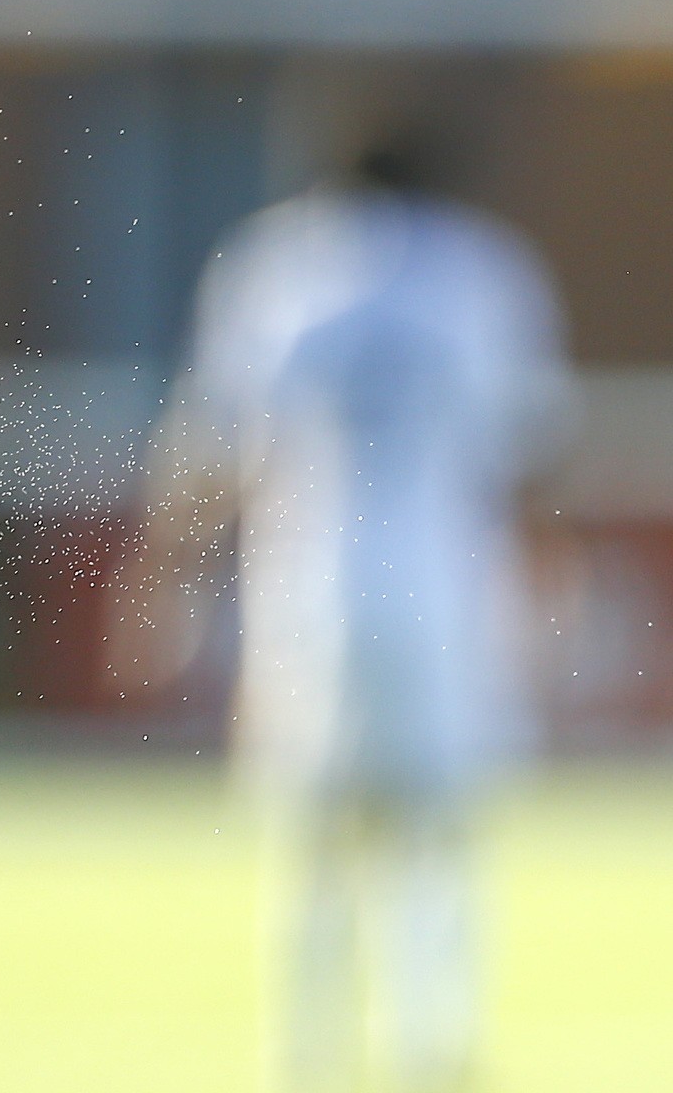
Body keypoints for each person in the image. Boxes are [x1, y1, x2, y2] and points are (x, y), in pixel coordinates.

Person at [110, 124, 572, 1093]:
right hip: (445, 579)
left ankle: (309, 1046)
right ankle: (433, 1036)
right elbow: (531, 454)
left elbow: (210, 444)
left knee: (312, 826)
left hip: (309, 585)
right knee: (439, 820)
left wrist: (160, 576)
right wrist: (547, 584)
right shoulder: (483, 270)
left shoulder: (281, 267)